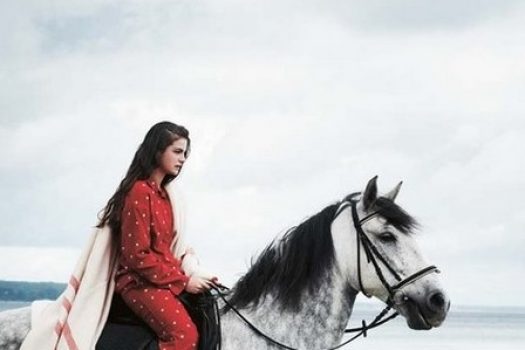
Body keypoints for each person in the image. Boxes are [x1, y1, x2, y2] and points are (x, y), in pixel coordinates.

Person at [97, 121, 218, 350]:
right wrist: (184, 282)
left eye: (185, 153)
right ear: (157, 151)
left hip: (160, 279)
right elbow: (137, 255)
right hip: (138, 283)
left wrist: (190, 268)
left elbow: (163, 251)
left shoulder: (164, 196)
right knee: (184, 335)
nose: (183, 159)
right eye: (177, 152)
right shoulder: (139, 192)